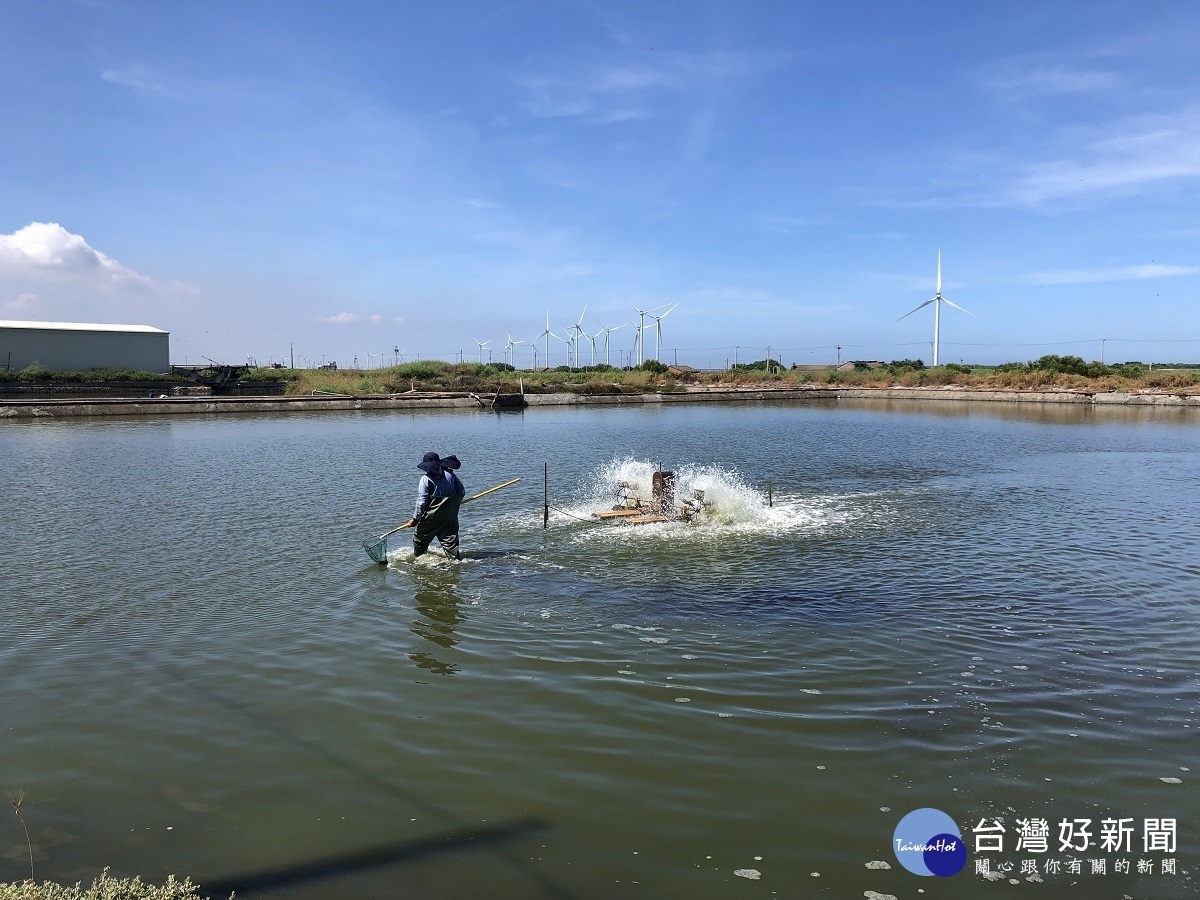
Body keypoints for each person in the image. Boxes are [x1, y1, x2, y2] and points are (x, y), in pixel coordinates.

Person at [406, 452, 466, 559]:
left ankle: (420, 562)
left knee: (420, 541)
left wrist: (415, 519)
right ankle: (455, 565)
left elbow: (422, 501)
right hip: (450, 518)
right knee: (450, 545)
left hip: (431, 519)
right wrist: (453, 504)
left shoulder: (426, 479)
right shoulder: (451, 475)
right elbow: (461, 492)